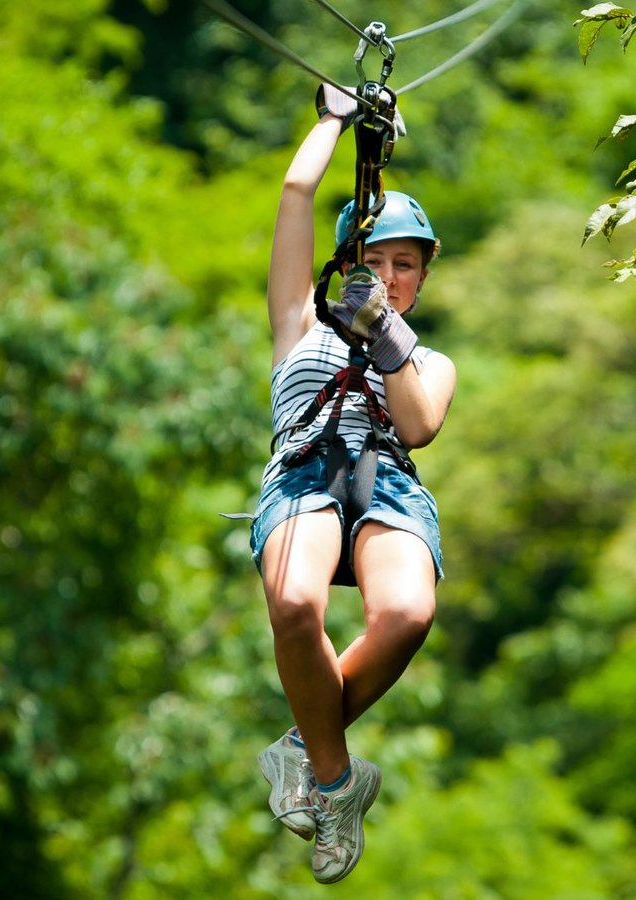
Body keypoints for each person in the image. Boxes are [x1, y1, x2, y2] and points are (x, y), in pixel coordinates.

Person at [249, 84, 456, 884]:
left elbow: (419, 426)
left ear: (422, 280)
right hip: (305, 469)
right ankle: (336, 782)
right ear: (345, 264)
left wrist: (386, 334)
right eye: (374, 261)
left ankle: (305, 747)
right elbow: (297, 192)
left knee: (406, 612)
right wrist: (335, 121)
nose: (390, 275)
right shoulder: (298, 321)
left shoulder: (430, 359)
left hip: (388, 483)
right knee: (297, 605)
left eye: (405, 266)